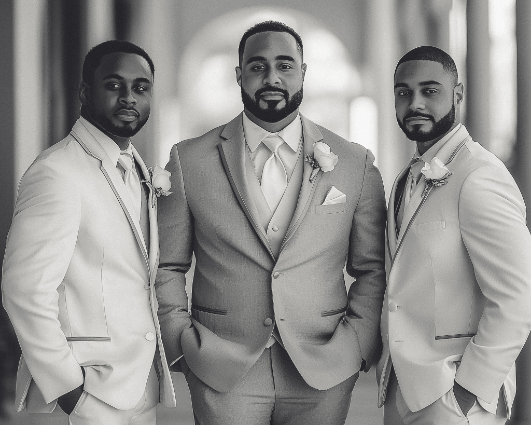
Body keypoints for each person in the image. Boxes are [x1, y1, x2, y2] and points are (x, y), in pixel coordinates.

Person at [155, 20, 386, 425]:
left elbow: (371, 268)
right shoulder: (188, 160)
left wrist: (357, 343)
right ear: (239, 74)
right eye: (258, 66)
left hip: (324, 366)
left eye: (285, 65)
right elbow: (167, 265)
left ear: (303, 72)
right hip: (221, 366)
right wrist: (180, 343)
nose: (272, 77)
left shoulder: (354, 163)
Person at [2, 40, 175, 425]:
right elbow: (24, 289)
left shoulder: (136, 168)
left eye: (141, 87)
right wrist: (68, 389)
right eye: (113, 85)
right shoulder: (57, 172)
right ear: (84, 91)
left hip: (135, 385)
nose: (129, 97)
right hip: (86, 389)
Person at [377, 45, 531, 425]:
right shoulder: (405, 177)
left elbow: (516, 299)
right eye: (403, 92)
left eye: (430, 91)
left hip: (453, 398)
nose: (415, 103)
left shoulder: (480, 176)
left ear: (457, 94)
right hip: (402, 388)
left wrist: (467, 393)